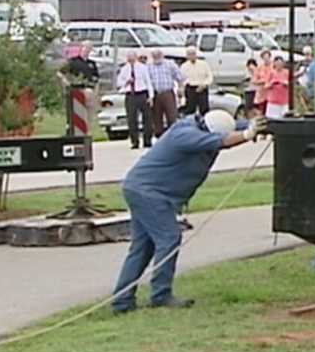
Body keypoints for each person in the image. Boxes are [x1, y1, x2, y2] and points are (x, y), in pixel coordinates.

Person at [111, 110, 268, 314]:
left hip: (143, 189)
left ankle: (122, 301)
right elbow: (224, 140)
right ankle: (160, 295)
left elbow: (235, 127)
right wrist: (247, 135)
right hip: (150, 192)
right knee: (169, 238)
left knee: (142, 247)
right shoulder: (185, 135)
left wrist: (263, 124)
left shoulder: (205, 126)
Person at [115, 52, 154, 149]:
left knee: (147, 118)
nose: (130, 60)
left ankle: (147, 140)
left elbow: (148, 82)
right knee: (132, 119)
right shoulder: (124, 69)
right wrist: (126, 81)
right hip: (130, 95)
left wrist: (151, 96)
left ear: (135, 58)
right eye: (129, 58)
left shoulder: (142, 68)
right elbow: (119, 83)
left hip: (142, 93)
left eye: (132, 58)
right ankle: (134, 141)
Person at [147, 49, 185, 142]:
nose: (157, 58)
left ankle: (174, 136)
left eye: (158, 56)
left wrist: (180, 88)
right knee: (156, 116)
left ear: (162, 56)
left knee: (172, 115)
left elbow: (180, 77)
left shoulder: (170, 64)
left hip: (167, 92)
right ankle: (159, 137)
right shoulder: (149, 66)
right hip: (155, 94)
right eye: (154, 56)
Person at [180, 47, 214, 116]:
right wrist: (182, 88)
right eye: (189, 54)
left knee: (204, 109)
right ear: (187, 56)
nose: (192, 56)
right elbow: (182, 79)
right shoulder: (184, 66)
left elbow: (210, 76)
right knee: (190, 109)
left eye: (193, 54)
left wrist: (204, 84)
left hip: (202, 88)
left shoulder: (204, 64)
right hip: (190, 88)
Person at [252, 49, 273, 117]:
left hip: (271, 93)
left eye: (267, 57)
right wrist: (262, 81)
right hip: (262, 93)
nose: (266, 60)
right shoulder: (260, 67)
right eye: (264, 58)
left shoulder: (274, 67)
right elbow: (254, 80)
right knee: (261, 111)